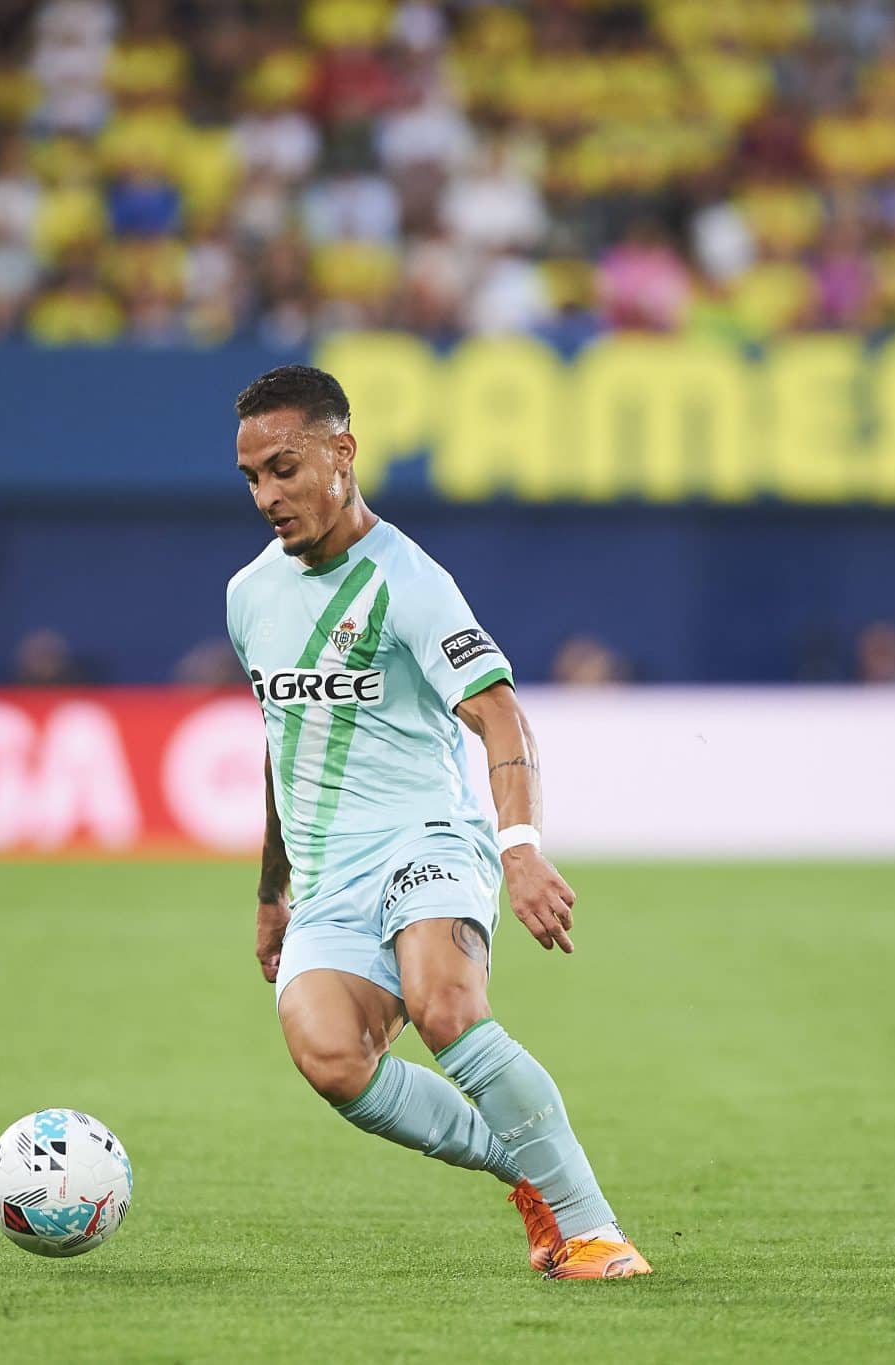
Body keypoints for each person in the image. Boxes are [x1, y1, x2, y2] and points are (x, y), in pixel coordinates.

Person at [226, 365, 649, 1280]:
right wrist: (272, 890)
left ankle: (595, 1231)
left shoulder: (412, 582)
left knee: (444, 1006)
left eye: (285, 469)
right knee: (332, 1057)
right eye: (253, 477)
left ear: (343, 453)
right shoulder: (249, 595)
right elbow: (281, 740)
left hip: (431, 841)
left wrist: (521, 850)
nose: (267, 496)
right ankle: (530, 1173)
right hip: (328, 876)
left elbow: (500, 714)